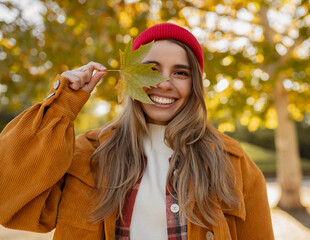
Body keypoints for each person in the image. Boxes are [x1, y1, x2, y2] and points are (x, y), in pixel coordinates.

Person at [0, 23, 274, 239]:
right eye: (150, 70)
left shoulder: (235, 163)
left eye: (180, 73)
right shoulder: (88, 153)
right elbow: (9, 199)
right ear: (127, 78)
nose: (163, 83)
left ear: (196, 86)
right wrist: (62, 104)